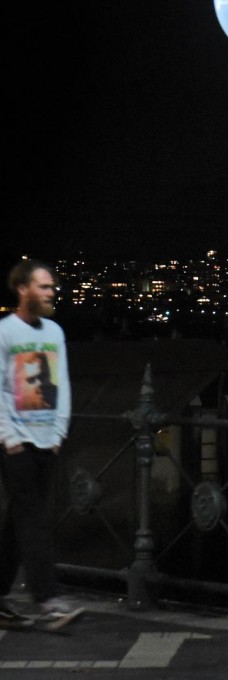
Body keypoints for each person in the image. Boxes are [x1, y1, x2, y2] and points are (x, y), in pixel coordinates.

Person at [0, 260, 74, 627]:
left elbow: (61, 384)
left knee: (18, 519)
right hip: (15, 441)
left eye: (51, 288)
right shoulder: (5, 332)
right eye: (43, 287)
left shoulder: (55, 332)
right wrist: (7, 435)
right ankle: (47, 598)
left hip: (47, 439)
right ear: (23, 289)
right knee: (33, 519)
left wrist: (59, 432)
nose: (50, 293)